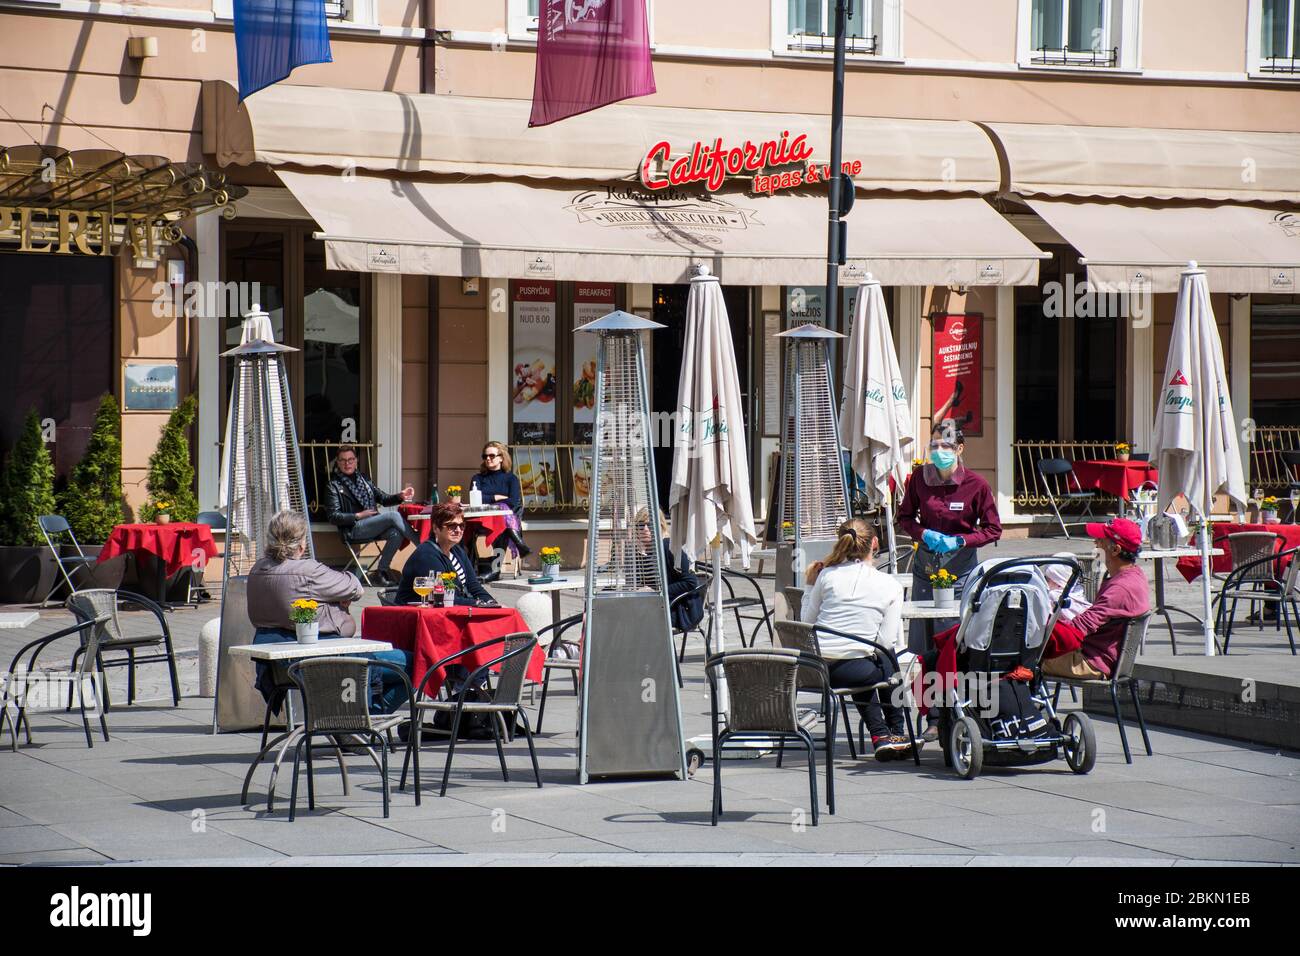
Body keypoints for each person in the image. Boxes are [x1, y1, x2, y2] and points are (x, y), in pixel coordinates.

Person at [247, 510, 412, 714]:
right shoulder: (308, 570)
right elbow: (356, 588)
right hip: (323, 659)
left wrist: (327, 601)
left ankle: (353, 718)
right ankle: (361, 720)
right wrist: (336, 600)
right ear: (301, 544)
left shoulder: (257, 570)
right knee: (416, 664)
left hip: (278, 667)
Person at [897, 420, 1002, 739]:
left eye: (946, 446)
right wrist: (923, 533)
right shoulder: (919, 479)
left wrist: (961, 541)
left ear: (959, 449)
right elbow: (904, 517)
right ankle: (932, 716)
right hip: (926, 570)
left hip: (960, 574)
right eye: (934, 446)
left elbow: (993, 529)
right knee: (925, 647)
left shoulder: (976, 484)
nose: (939, 452)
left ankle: (960, 709)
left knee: (954, 646)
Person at [800, 519, 913, 760]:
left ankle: (883, 735)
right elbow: (885, 641)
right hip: (855, 671)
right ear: (874, 543)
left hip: (815, 668)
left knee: (870, 661)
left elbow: (806, 624)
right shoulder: (890, 585)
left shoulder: (826, 575)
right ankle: (895, 732)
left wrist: (809, 587)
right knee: (887, 659)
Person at [1040, 518, 1150, 680]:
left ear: (1115, 550)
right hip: (1101, 656)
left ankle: (1014, 703)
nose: (1095, 543)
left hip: (1092, 662)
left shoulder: (1120, 588)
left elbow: (1078, 628)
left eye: (1100, 540)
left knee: (1018, 658)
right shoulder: (1135, 575)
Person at [324, 445, 418, 585]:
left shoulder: (364, 478)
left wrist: (400, 495)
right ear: (337, 462)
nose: (347, 463)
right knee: (393, 516)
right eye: (343, 460)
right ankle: (422, 545)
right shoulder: (333, 486)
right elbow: (333, 516)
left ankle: (380, 572)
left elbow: (383, 499)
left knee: (395, 533)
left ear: (356, 461)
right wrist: (358, 515)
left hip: (371, 524)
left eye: (350, 459)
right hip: (353, 528)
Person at [395, 501, 498, 607]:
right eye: (451, 526)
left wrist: (491, 603)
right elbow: (440, 596)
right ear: (436, 528)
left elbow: (474, 586)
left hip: (448, 609)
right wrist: (477, 603)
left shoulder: (457, 551)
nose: (458, 530)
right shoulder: (427, 555)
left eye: (461, 526)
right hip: (415, 614)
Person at [632, 508, 704, 632]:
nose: (645, 529)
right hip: (659, 606)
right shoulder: (646, 551)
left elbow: (690, 582)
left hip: (680, 610)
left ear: (660, 526)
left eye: (649, 525)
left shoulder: (668, 547)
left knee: (634, 619)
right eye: (640, 526)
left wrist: (658, 591)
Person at [467, 441, 531, 572]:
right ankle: (520, 545)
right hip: (482, 521)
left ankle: (495, 570)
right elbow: (476, 500)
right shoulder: (477, 478)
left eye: (491, 455)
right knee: (502, 511)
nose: (488, 459)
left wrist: (493, 501)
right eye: (485, 456)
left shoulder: (511, 478)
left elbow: (513, 501)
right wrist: (496, 497)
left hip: (502, 521)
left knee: (502, 521)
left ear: (501, 457)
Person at [1045, 551, 1093, 623]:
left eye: (1047, 579)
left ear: (1059, 583)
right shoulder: (1078, 590)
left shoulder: (1054, 596)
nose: (1045, 582)